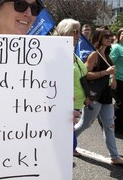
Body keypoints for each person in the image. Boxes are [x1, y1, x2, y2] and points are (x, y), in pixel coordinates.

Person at [74, 26, 123, 165]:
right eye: (107, 36)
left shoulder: (107, 54)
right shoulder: (94, 54)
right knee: (85, 124)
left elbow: (111, 71)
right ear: (99, 38)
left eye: (111, 36)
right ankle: (68, 142)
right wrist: (105, 73)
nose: (110, 38)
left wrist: (112, 77)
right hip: (95, 95)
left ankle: (114, 157)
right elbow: (86, 75)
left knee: (110, 125)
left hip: (106, 95)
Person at [53, 19, 90, 157]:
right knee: (65, 146)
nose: (78, 35)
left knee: (69, 144)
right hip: (65, 106)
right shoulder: (56, 53)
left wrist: (86, 96)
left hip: (77, 104)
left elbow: (81, 75)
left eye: (78, 32)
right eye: (74, 32)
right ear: (63, 33)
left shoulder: (73, 53)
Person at [110, 28, 123, 133]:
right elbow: (110, 63)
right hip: (118, 79)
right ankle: (112, 124)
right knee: (120, 103)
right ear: (119, 35)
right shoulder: (116, 47)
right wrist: (112, 78)